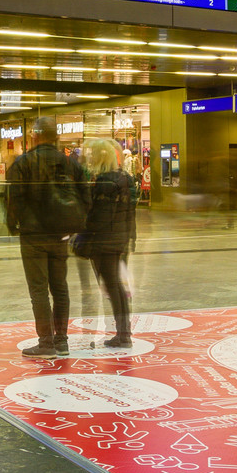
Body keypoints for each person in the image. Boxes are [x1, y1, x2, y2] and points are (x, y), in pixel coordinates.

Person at [4, 116, 86, 358]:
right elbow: (85, 194)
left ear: (34, 136)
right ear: (56, 137)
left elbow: (13, 198)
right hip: (60, 234)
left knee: (39, 289)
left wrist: (14, 224)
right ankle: (61, 341)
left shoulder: (24, 163)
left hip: (33, 235)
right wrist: (75, 223)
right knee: (60, 287)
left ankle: (46, 343)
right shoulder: (70, 163)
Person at [77, 138, 136, 348]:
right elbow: (130, 213)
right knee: (116, 287)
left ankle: (123, 335)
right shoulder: (124, 178)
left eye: (92, 154)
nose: (89, 158)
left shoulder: (104, 182)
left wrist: (82, 228)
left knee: (113, 287)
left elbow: (99, 218)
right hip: (119, 238)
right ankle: (123, 332)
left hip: (103, 241)